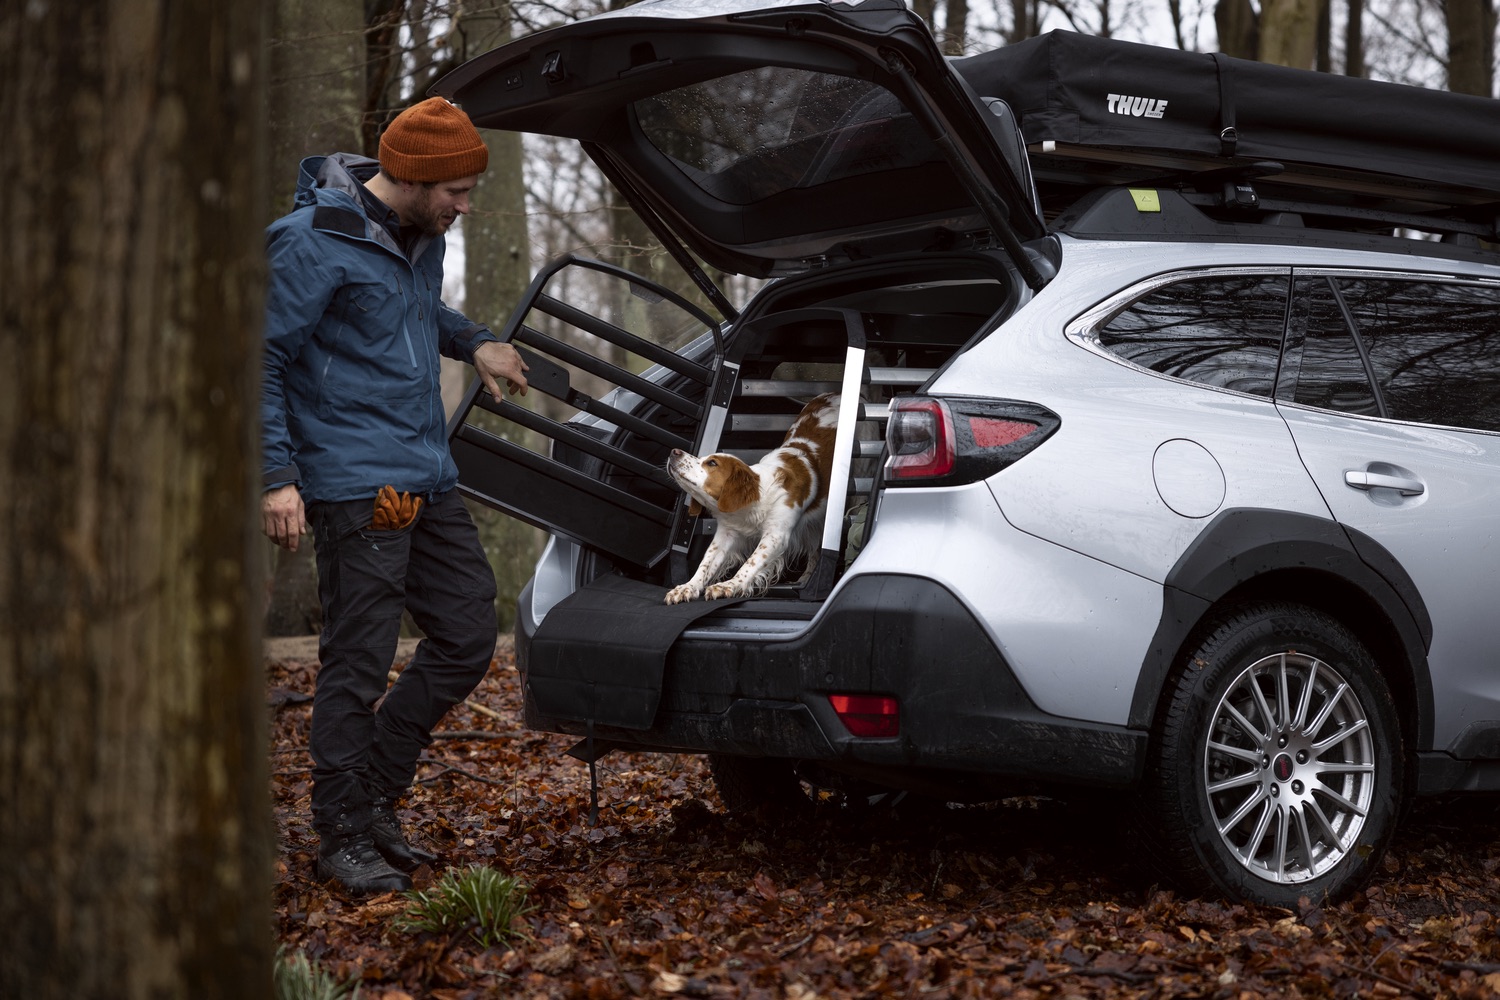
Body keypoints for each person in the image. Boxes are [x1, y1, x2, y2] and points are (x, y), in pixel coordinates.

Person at [260, 97, 529, 895]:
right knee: (360, 659)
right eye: (456, 191)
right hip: (357, 482)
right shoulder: (307, 246)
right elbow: (258, 362)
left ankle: (374, 790)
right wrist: (276, 477)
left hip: (426, 473)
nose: (465, 206)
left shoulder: (420, 239)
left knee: (467, 632)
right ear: (411, 177)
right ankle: (341, 833)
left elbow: (415, 312)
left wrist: (477, 340)